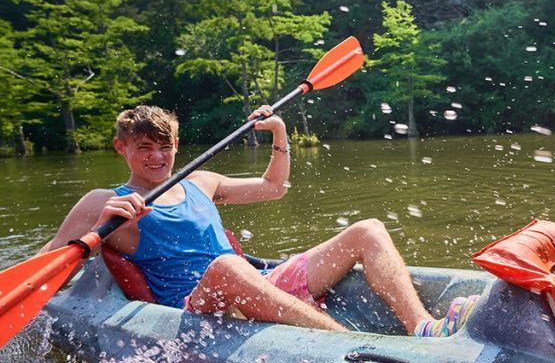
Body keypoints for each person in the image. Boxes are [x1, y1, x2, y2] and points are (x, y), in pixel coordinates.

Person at [42, 105, 475, 337]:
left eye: (164, 146)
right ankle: (349, 343)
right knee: (227, 267)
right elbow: (48, 268)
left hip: (257, 283)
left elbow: (273, 188)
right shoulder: (105, 201)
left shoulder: (202, 180)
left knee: (368, 229)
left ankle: (420, 327)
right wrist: (97, 229)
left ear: (176, 144)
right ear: (122, 149)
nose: (156, 157)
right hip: (196, 309)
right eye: (143, 148)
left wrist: (280, 134)